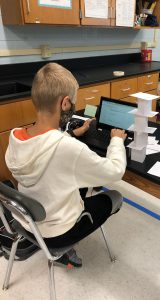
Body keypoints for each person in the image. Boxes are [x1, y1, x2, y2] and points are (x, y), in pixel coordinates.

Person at [5, 62, 127, 268]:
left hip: (26, 223)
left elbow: (46, 144)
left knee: (77, 181)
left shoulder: (16, 137)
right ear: (65, 103)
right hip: (57, 234)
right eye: (73, 102)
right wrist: (116, 140)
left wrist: (70, 133)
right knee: (115, 197)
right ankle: (65, 250)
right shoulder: (68, 149)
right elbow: (115, 171)